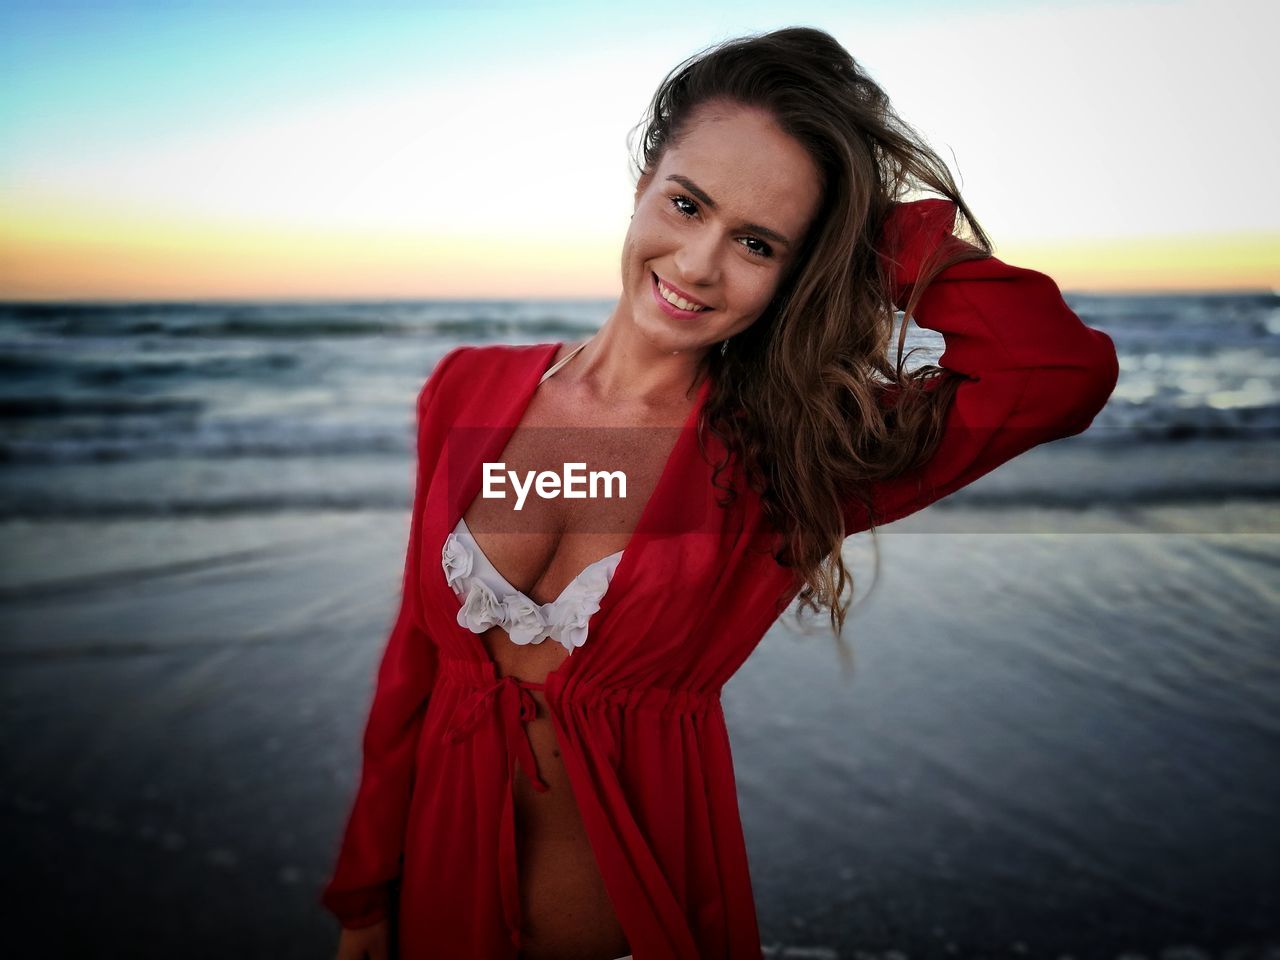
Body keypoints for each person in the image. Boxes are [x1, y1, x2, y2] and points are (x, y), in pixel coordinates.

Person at [321, 25, 1119, 960]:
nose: (699, 264)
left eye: (756, 241)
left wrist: (864, 235)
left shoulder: (794, 453)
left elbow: (1057, 370)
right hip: (439, 894)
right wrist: (365, 895)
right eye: (687, 203)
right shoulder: (466, 389)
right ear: (642, 184)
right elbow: (413, 665)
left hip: (632, 917)